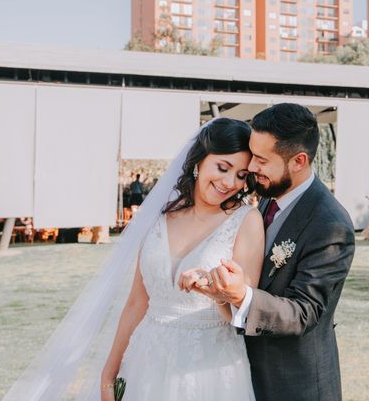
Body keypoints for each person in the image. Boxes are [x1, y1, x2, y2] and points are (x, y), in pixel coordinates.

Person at [187, 104, 355, 401]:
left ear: (298, 161)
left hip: (294, 384)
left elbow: (304, 312)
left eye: (262, 160)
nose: (251, 168)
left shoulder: (331, 225)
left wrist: (242, 295)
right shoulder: (267, 199)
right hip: (245, 374)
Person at [100, 118, 262, 401]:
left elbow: (241, 314)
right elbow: (137, 302)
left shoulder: (247, 221)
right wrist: (109, 373)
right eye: (222, 168)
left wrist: (216, 291)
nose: (229, 182)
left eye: (241, 175)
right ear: (199, 162)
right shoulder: (159, 217)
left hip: (208, 370)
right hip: (145, 360)